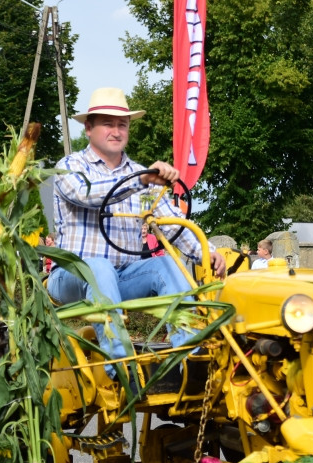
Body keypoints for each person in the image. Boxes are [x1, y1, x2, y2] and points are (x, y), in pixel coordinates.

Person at [47, 87, 226, 382]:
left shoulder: (142, 174)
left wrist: (207, 252)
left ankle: (191, 358)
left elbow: (172, 223)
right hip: (71, 275)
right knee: (99, 267)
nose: (116, 131)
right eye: (108, 123)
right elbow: (85, 195)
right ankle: (120, 365)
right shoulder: (71, 166)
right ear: (89, 128)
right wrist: (140, 181)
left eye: (122, 124)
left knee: (166, 264)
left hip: (122, 277)